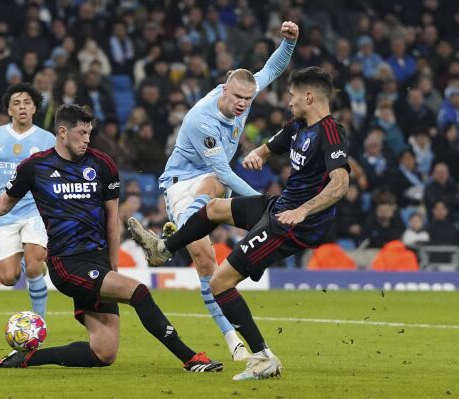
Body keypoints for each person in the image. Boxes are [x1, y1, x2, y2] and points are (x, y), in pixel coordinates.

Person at [0, 104, 222, 372]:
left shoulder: (103, 165)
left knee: (103, 353)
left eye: (89, 133)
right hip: (67, 264)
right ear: (62, 133)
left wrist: (113, 268)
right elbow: (4, 203)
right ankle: (191, 358)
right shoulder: (35, 167)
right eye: (81, 133)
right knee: (139, 292)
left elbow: (111, 220)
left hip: (98, 262)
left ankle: (26, 359)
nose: (87, 140)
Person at [128, 67, 350, 380]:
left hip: (294, 223)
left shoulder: (330, 133)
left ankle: (262, 357)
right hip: (280, 207)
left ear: (309, 97)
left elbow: (340, 184)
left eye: (293, 96)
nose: (288, 101)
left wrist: (303, 211)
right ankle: (163, 248)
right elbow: (270, 145)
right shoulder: (299, 124)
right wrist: (257, 153)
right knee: (216, 208)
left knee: (220, 282)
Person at [156, 21, 298, 361]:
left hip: (211, 186)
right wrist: (262, 205)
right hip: (181, 185)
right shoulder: (201, 120)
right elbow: (221, 171)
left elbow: (273, 68)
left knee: (214, 265)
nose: (242, 104)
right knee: (208, 257)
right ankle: (234, 341)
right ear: (224, 90)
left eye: (247, 99)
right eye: (237, 98)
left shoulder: (245, 96)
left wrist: (288, 42)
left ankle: (177, 237)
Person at [0, 83, 56, 318]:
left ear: (34, 108)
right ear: (9, 110)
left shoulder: (46, 140)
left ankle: (39, 322)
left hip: (34, 211)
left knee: (33, 267)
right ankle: (31, 260)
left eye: (27, 103)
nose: (22, 107)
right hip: (4, 212)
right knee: (8, 278)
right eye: (16, 103)